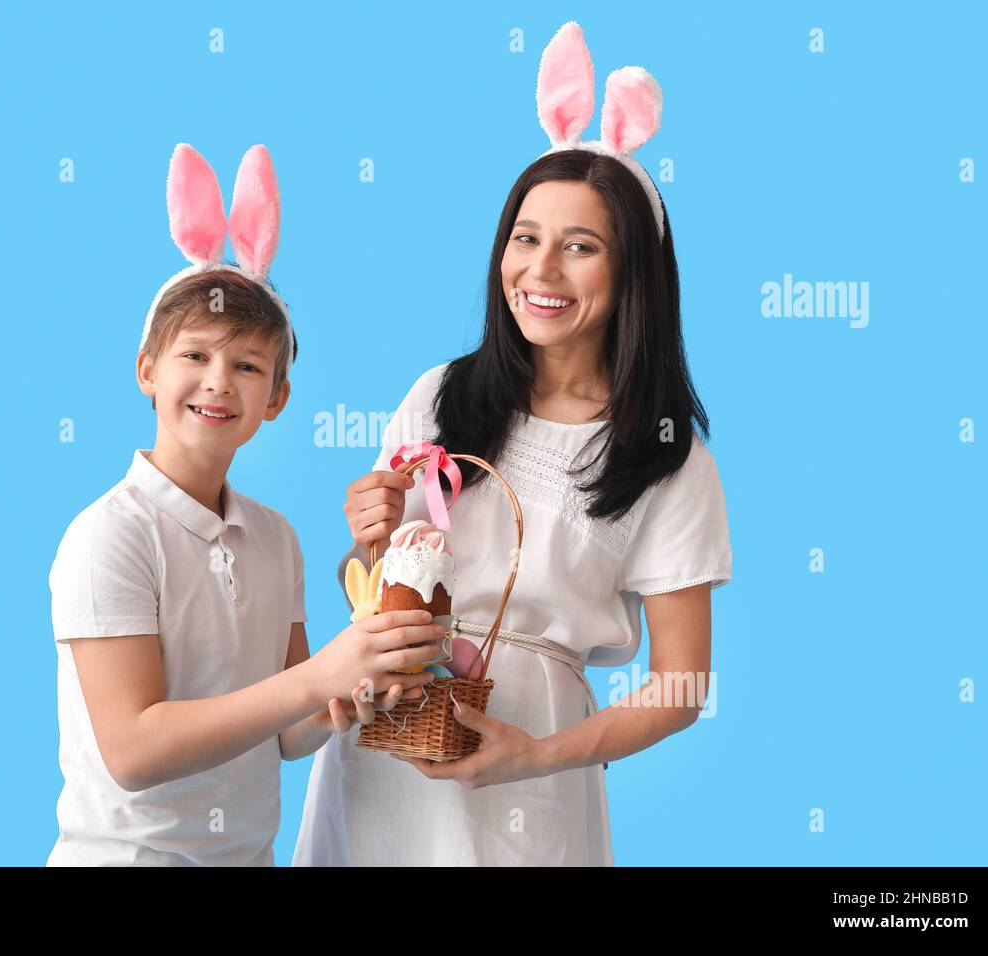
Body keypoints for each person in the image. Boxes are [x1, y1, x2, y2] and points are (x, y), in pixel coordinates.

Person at [292, 23, 732, 866]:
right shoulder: (440, 395)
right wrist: (369, 532)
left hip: (532, 763)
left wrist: (535, 755)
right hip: (388, 741)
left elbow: (681, 686)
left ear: (635, 271)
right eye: (526, 239)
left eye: (582, 247)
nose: (541, 271)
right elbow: (381, 585)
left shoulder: (667, 457)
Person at [47, 144, 439, 866]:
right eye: (194, 356)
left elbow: (289, 733)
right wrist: (318, 676)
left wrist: (346, 692)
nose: (218, 382)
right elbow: (133, 749)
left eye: (248, 366)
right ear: (146, 370)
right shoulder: (110, 537)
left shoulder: (276, 539)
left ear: (278, 399)